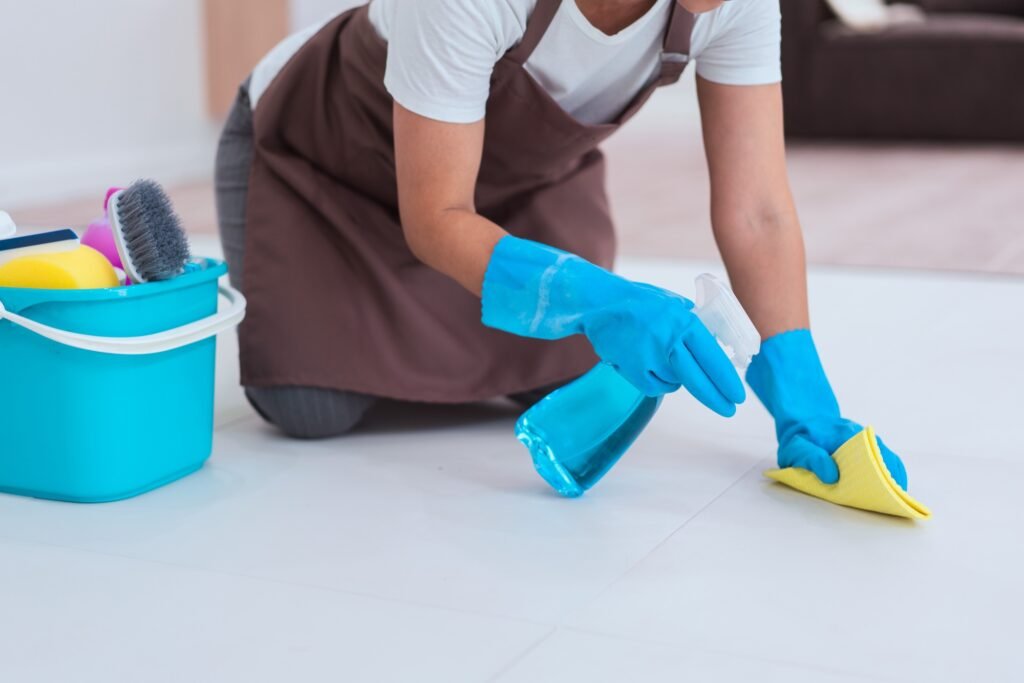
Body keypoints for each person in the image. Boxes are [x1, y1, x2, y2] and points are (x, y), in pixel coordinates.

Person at [216, 0, 908, 489]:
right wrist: (590, 297)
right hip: (325, 168)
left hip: (515, 187)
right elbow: (435, 215)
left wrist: (799, 379)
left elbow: (756, 207)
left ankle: (451, 334)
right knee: (310, 407)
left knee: (574, 372)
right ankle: (439, 336)